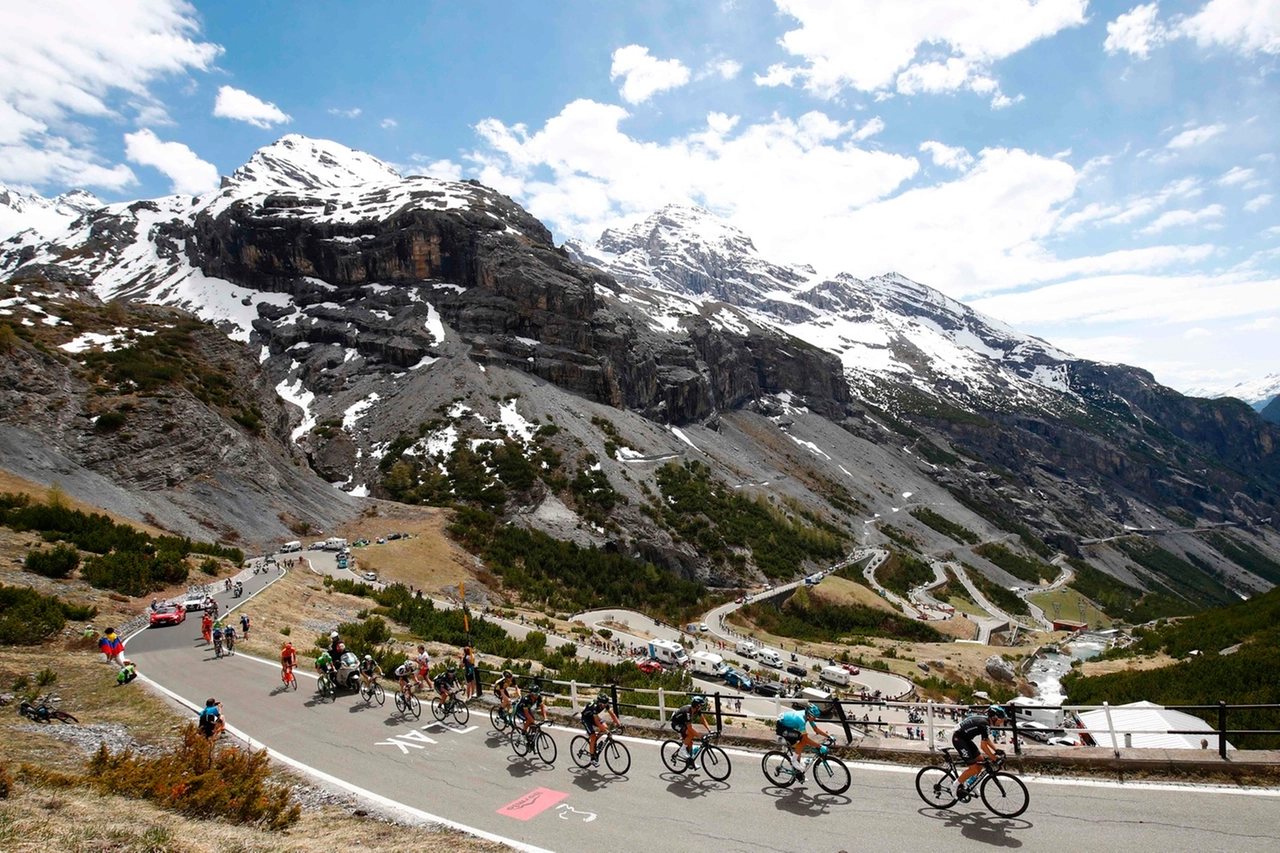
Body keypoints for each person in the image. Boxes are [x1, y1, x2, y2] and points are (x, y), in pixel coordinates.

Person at [947, 705, 1007, 797]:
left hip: (965, 739)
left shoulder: (986, 722)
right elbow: (983, 746)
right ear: (994, 718)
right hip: (959, 740)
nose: (1002, 722)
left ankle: (971, 783)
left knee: (981, 762)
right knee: (974, 768)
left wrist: (996, 750)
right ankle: (954, 785)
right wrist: (994, 758)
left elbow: (986, 739)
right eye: (1001, 720)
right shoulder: (985, 724)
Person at [776, 703, 833, 772]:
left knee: (799, 746)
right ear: (809, 715)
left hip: (788, 726)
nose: (815, 719)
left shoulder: (807, 716)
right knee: (803, 739)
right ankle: (793, 760)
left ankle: (798, 772)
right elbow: (805, 738)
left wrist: (828, 736)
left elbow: (815, 729)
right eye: (814, 717)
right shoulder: (801, 720)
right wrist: (820, 746)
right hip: (782, 728)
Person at [581, 691, 622, 767]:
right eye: (604, 704)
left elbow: (612, 714)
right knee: (593, 736)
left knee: (605, 727)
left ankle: (594, 742)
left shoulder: (605, 704)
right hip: (586, 718)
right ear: (599, 703)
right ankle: (592, 759)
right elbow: (597, 723)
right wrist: (607, 732)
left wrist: (619, 724)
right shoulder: (595, 707)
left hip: (593, 717)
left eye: (606, 704)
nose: (605, 705)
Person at [670, 695, 711, 765]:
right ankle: (682, 750)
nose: (701, 707)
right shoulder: (687, 712)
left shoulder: (696, 709)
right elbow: (689, 728)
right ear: (697, 706)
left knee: (690, 742)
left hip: (682, 722)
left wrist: (710, 730)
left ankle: (691, 761)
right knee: (690, 734)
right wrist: (700, 736)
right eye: (701, 706)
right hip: (675, 723)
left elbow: (703, 719)